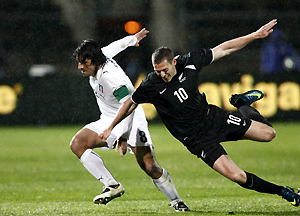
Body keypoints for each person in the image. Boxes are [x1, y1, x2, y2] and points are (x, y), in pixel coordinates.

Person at [100, 19, 300, 208]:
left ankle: (241, 104)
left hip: (214, 119)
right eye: (157, 71)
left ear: (174, 62)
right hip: (197, 140)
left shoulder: (190, 62)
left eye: (164, 70)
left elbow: (224, 48)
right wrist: (113, 128)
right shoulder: (151, 84)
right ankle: (283, 191)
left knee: (269, 134)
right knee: (237, 176)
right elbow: (130, 104)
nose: (161, 74)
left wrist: (255, 36)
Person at [70, 28, 189, 212]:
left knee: (149, 166)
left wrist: (123, 135)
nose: (80, 67)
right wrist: (133, 39)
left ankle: (176, 201)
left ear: (92, 61)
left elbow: (131, 104)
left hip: (132, 120)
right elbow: (117, 46)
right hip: (109, 119)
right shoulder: (102, 56)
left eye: (83, 63)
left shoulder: (111, 78)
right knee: (78, 143)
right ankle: (112, 185)